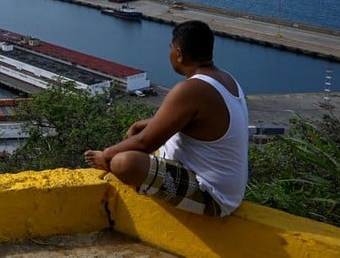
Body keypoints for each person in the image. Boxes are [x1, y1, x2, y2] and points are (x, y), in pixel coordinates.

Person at [83, 20, 249, 217]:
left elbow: (146, 142)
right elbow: (183, 123)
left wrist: (106, 155)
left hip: (212, 195)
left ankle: (114, 164)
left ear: (179, 53)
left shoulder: (192, 89)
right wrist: (139, 124)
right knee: (135, 144)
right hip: (222, 184)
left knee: (123, 163)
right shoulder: (225, 79)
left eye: (170, 49)